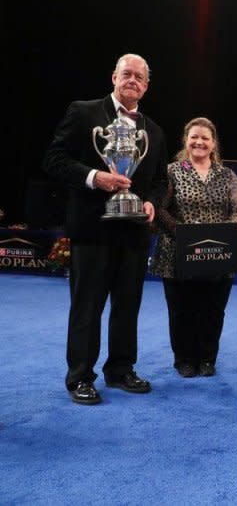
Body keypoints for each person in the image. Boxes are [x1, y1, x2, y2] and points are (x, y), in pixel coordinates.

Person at [42, 53, 168, 405]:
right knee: (87, 307)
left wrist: (151, 204)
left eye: (139, 77)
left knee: (128, 307)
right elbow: (54, 159)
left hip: (134, 233)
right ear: (114, 77)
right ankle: (80, 376)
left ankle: (120, 369)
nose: (132, 80)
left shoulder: (154, 131)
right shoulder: (84, 112)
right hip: (92, 229)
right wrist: (95, 177)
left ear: (145, 86)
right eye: (126, 74)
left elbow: (159, 180)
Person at [149, 117, 237, 378]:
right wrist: (183, 234)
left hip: (220, 252)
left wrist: (223, 233)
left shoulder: (227, 176)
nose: (199, 142)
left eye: (205, 137)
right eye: (194, 137)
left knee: (213, 310)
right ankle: (184, 359)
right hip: (177, 254)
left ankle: (207, 358)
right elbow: (159, 207)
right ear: (186, 140)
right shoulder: (172, 171)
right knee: (181, 310)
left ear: (213, 144)